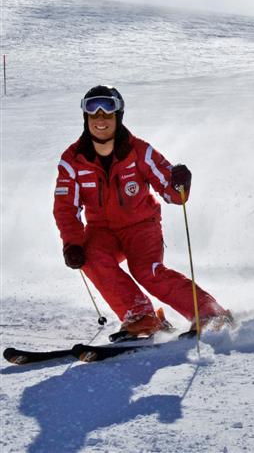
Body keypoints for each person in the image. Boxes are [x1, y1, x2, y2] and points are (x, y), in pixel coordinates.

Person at [54, 85, 232, 338]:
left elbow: (172, 192)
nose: (100, 119)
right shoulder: (72, 160)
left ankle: (210, 313)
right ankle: (141, 317)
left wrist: (180, 182)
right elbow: (65, 208)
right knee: (90, 256)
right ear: (86, 118)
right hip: (101, 230)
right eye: (93, 113)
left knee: (146, 270)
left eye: (107, 112)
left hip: (141, 225)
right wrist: (71, 243)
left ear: (118, 116)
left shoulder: (139, 152)